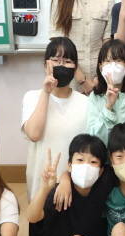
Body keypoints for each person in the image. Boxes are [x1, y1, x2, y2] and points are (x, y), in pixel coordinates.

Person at [21, 37, 88, 201]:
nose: (61, 65)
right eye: (56, 60)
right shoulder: (31, 97)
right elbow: (34, 134)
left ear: (75, 68)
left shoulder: (86, 103)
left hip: (73, 186)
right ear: (46, 65)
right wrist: (46, 92)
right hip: (40, 185)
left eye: (67, 61)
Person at [87, 39, 125, 145]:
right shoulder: (95, 97)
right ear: (101, 67)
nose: (113, 65)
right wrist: (108, 106)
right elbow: (93, 139)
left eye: (118, 60)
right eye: (108, 61)